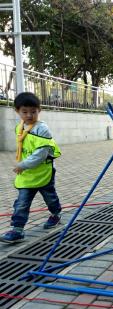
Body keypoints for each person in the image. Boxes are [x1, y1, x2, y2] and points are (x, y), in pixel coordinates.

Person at [1, 92, 62, 243]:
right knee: (22, 202)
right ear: (17, 111)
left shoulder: (42, 129)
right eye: (25, 112)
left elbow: (40, 154)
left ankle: (56, 214)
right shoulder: (19, 128)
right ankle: (17, 230)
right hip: (27, 174)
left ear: (39, 110)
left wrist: (23, 165)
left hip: (43, 172)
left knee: (50, 197)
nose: (29, 115)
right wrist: (24, 166)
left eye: (33, 112)